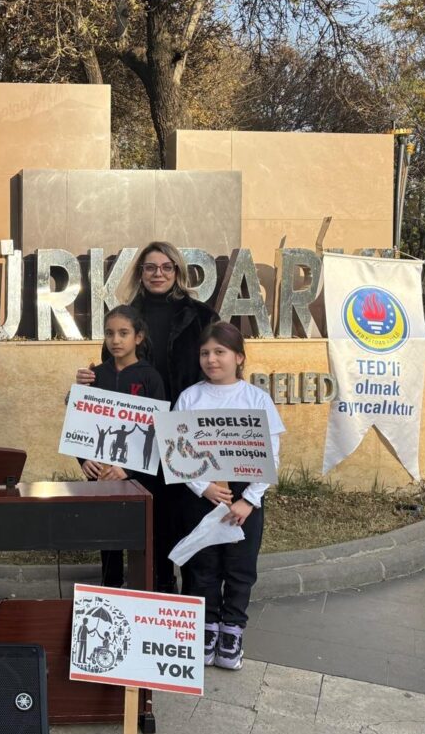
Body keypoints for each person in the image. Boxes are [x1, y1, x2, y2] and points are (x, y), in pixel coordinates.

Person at [76, 241, 219, 592]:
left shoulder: (202, 316)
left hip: (186, 435)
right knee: (131, 524)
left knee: (181, 524)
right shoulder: (126, 315)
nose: (158, 274)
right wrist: (86, 385)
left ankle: (178, 602)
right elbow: (110, 382)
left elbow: (219, 366)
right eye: (150, 267)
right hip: (136, 441)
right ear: (140, 272)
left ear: (178, 271)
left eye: (166, 267)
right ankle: (133, 596)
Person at [174, 321, 284, 671]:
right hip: (202, 495)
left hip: (243, 498)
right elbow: (177, 449)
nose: (211, 359)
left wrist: (248, 500)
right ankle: (206, 628)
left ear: (239, 357)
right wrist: (203, 487)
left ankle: (232, 631)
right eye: (205, 353)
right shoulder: (190, 397)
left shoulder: (256, 399)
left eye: (219, 352)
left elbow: (272, 454)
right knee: (202, 565)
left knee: (240, 566)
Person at [78, 306, 166, 588]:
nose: (115, 340)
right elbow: (82, 424)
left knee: (142, 538)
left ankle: (143, 592)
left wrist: (128, 469)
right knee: (108, 537)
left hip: (139, 479)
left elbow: (158, 432)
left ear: (138, 337)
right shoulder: (94, 376)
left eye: (123, 333)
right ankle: (110, 588)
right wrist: (84, 460)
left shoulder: (151, 378)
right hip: (102, 475)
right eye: (109, 333)